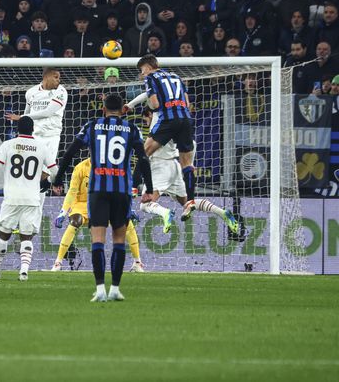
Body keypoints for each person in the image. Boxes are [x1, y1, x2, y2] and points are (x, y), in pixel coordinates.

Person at [53, 94, 154, 302]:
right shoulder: (132, 129)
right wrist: (149, 188)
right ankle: (115, 288)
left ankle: (100, 289)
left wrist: (58, 178)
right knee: (119, 240)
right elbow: (143, 159)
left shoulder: (93, 125)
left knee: (97, 240)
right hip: (122, 191)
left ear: (103, 108)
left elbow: (70, 152)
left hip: (98, 190)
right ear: (123, 110)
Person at [125, 107, 239, 235]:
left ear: (150, 114)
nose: (145, 123)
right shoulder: (176, 125)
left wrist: (130, 104)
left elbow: (151, 97)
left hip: (160, 166)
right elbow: (193, 143)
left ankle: (165, 213)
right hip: (175, 167)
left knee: (145, 205)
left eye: (145, 119)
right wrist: (190, 163)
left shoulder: (159, 121)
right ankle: (222, 213)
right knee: (188, 203)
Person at [0, 116, 57, 281]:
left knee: (3, 234)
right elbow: (55, 171)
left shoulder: (8, 145)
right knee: (26, 235)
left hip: (12, 198)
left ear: (17, 129)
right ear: (33, 130)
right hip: (32, 198)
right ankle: (23, 272)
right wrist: (49, 181)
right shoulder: (41, 147)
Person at [52, 158, 146, 273]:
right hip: (82, 205)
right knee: (75, 222)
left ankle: (137, 262)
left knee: (126, 222)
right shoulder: (80, 168)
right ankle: (58, 262)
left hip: (104, 203)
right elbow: (72, 191)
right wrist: (63, 213)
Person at [133, 54, 197, 220]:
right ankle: (190, 201)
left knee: (143, 151)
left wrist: (156, 110)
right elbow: (188, 103)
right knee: (187, 164)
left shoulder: (151, 77)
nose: (142, 74)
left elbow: (155, 104)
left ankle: (133, 188)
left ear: (147, 66)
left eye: (142, 70)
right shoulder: (176, 77)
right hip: (186, 119)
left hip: (168, 119)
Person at [4, 67, 67, 232]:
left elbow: (48, 112)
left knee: (43, 179)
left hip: (51, 138)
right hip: (33, 138)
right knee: (28, 177)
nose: (58, 80)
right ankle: (23, 222)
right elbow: (27, 114)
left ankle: (31, 224)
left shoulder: (61, 92)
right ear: (47, 77)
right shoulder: (31, 92)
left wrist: (22, 117)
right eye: (56, 77)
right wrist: (21, 128)